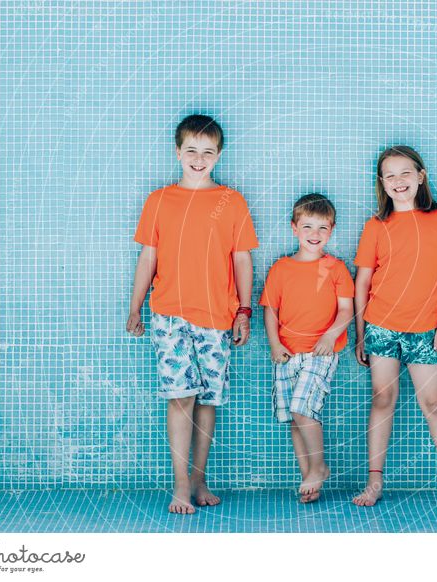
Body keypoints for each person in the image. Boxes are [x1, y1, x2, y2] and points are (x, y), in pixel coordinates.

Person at [126, 114, 259, 514]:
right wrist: (135, 307)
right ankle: (180, 484)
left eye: (207, 152)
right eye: (191, 151)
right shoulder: (160, 200)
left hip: (217, 316)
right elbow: (148, 257)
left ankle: (199, 478)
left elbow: (242, 261)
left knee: (207, 400)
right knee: (180, 398)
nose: (198, 159)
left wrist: (244, 311)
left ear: (218, 155)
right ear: (177, 153)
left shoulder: (231, 202)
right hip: (168, 315)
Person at [352, 145, 437, 510]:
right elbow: (362, 283)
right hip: (381, 326)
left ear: (420, 176)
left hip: (425, 327)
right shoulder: (376, 227)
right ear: (382, 183)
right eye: (390, 175)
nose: (398, 181)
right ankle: (374, 482)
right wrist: (362, 333)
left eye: (405, 173)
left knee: (434, 403)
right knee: (383, 399)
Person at [260, 194, 354, 503]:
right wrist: (274, 344)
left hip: (320, 353)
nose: (315, 235)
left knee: (303, 408)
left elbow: (345, 310)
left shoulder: (336, 269)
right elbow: (271, 310)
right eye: (308, 227)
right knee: (292, 417)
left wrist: (331, 336)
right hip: (287, 354)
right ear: (294, 229)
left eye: (322, 228)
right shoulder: (281, 269)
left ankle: (318, 467)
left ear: (331, 230)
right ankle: (309, 480)